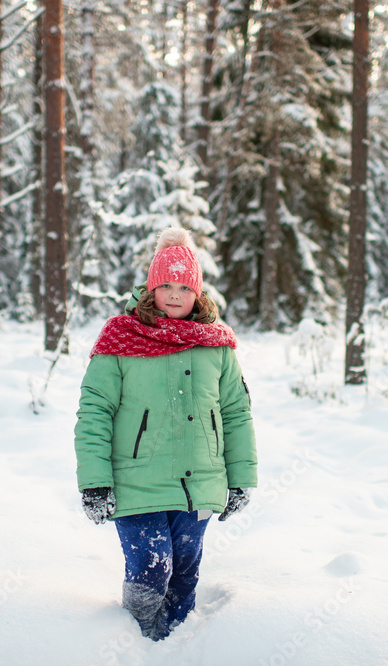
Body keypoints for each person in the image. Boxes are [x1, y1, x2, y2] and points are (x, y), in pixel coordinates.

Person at [74, 226, 258, 641]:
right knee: (151, 566)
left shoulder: (217, 346)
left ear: (199, 293)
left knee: (184, 572)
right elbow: (94, 412)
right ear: (150, 288)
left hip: (199, 483)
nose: (174, 295)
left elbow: (235, 413)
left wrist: (242, 478)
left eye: (184, 287)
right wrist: (95, 482)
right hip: (135, 481)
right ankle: (134, 640)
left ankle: (175, 645)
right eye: (165, 285)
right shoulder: (121, 337)